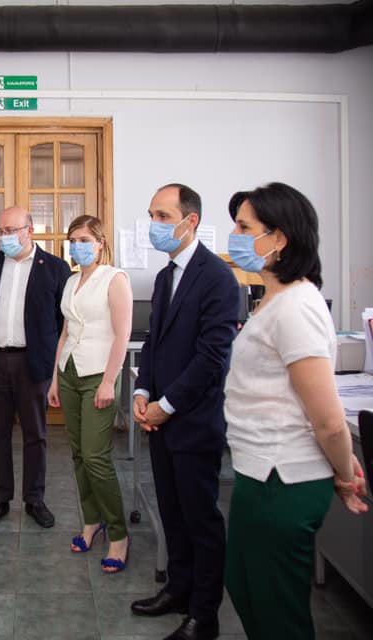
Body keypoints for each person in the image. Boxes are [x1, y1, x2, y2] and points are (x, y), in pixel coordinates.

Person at [222, 182, 368, 640]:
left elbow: (328, 419)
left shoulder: (297, 307)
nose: (234, 236)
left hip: (283, 477)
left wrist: (343, 473)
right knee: (244, 586)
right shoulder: (274, 300)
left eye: (244, 227)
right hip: (258, 471)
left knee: (277, 611)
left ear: (280, 238)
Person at [130, 184, 239, 640]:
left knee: (201, 520)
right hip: (160, 418)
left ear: (190, 221)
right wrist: (142, 389)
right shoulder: (164, 277)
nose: (153, 224)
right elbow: (154, 342)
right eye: (151, 215)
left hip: (193, 420)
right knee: (171, 512)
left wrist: (166, 405)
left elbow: (212, 357)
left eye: (163, 216)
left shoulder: (217, 278)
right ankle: (178, 589)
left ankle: (203, 615)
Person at [0, 205, 72, 528]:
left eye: (10, 231)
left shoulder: (55, 268)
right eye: (0, 231)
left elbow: (62, 321)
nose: (4, 237)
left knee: (35, 434)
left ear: (30, 230)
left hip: (34, 362)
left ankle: (35, 499)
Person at [48, 215, 133, 572]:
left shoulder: (115, 279)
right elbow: (66, 332)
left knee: (97, 457)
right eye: (73, 240)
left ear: (100, 242)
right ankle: (91, 520)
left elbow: (122, 334)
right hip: (69, 372)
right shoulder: (71, 281)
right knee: (80, 454)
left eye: (84, 240)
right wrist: (55, 379)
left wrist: (109, 381)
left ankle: (118, 533)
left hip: (99, 374)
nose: (77, 246)